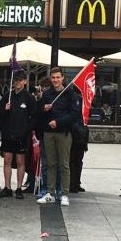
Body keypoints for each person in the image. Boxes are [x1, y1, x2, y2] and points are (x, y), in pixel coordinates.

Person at [37, 67, 80, 207]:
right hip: (48, 133)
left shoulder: (70, 93)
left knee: (64, 164)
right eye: (53, 77)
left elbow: (74, 114)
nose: (55, 80)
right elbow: (38, 112)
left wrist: (58, 122)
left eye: (58, 77)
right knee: (50, 164)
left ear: (62, 78)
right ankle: (50, 193)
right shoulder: (47, 94)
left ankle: (64, 194)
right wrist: (44, 109)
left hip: (64, 133)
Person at [0, 70, 34, 198]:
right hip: (8, 135)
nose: (17, 82)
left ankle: (18, 188)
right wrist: (4, 110)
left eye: (20, 80)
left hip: (22, 136)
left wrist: (26, 130)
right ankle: (7, 187)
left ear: (25, 81)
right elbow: (0, 115)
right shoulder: (7, 96)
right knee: (7, 160)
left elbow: (34, 117)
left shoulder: (29, 98)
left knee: (20, 161)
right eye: (16, 80)